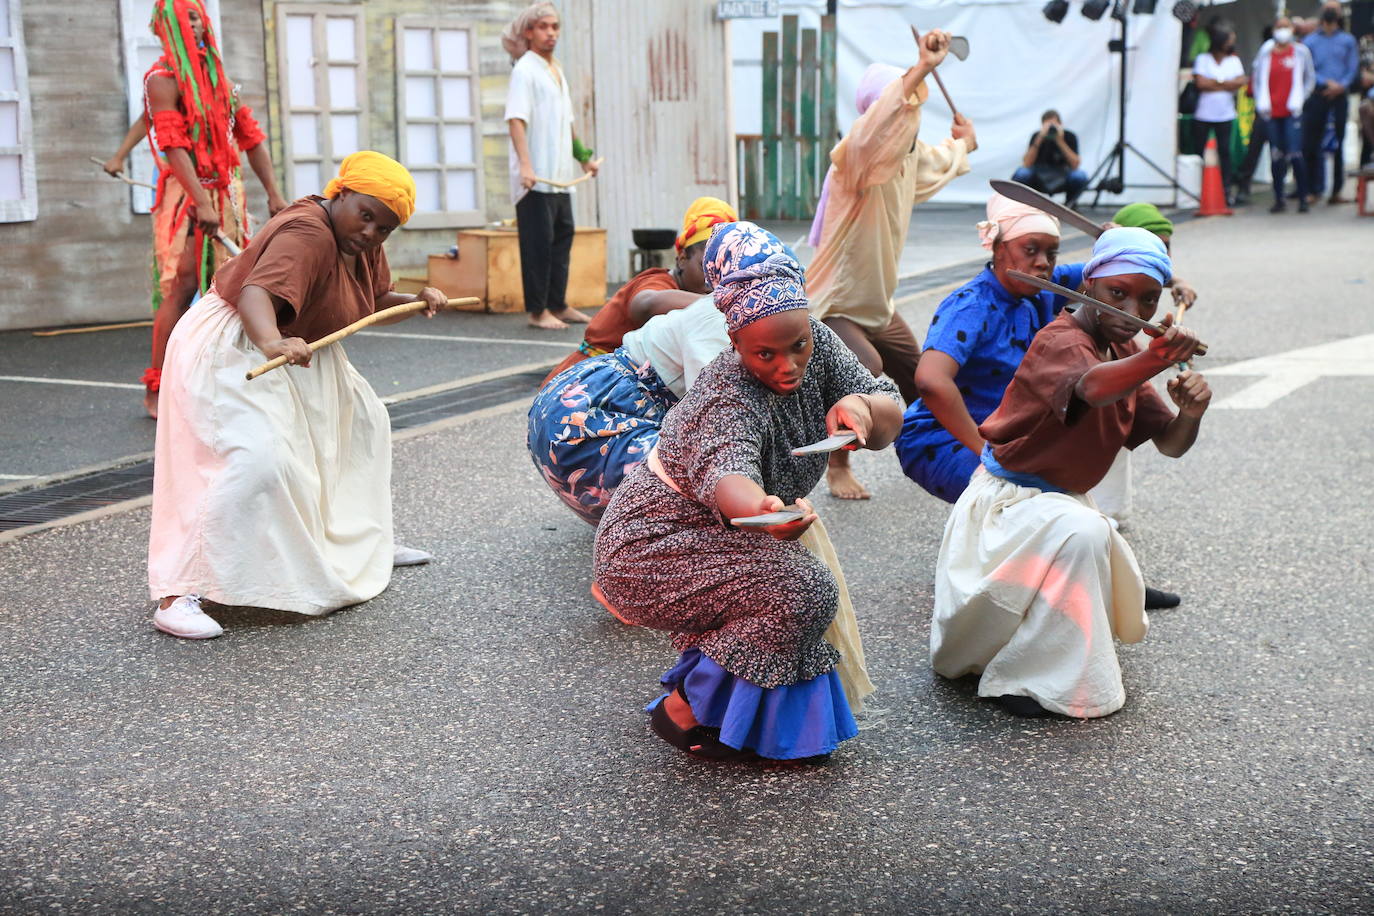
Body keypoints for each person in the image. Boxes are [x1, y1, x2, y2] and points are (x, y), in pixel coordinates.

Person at [593, 222, 902, 761]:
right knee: (799, 590)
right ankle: (687, 709)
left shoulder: (821, 344)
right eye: (766, 355)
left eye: (798, 345)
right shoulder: (724, 393)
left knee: (794, 588)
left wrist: (864, 411)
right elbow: (728, 476)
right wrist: (759, 508)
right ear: (734, 341)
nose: (788, 366)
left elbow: (887, 403)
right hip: (651, 543)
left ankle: (742, 723)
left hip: (725, 532)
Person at [147, 152, 443, 640]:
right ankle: (180, 592)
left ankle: (354, 541)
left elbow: (368, 302)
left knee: (360, 429)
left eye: (384, 228)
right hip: (239, 343)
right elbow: (255, 295)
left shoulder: (359, 241)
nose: (371, 232)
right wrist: (271, 341)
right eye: (365, 215)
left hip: (301, 346)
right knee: (255, 459)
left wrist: (417, 302)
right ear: (340, 193)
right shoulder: (308, 231)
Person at [929, 227, 1210, 719]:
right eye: (1117, 294)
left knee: (1083, 529)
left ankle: (1044, 662)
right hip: (1008, 504)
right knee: (1083, 531)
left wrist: (1190, 413)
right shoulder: (1059, 339)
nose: (1136, 311)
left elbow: (1170, 444)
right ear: (1087, 286)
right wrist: (1153, 358)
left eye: (1148, 300)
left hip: (1056, 504)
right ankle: (1024, 677)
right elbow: (1091, 387)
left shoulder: (1122, 351)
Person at [806, 29, 975, 500]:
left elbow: (935, 159)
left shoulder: (904, 157)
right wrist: (919, 70)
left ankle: (940, 449)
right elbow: (874, 130)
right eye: (900, 110)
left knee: (922, 374)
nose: (906, 120)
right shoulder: (855, 162)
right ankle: (836, 464)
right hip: (836, 302)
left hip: (877, 304)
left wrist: (964, 145)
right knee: (864, 366)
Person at [103, 0, 289, 418]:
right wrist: (200, 200)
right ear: (165, 28)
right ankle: (158, 385)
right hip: (189, 197)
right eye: (184, 18)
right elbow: (170, 143)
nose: (195, 24)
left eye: (197, 17)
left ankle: (218, 378)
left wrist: (274, 194)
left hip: (227, 196)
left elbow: (250, 138)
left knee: (227, 286)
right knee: (183, 286)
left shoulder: (218, 80)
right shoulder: (162, 78)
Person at [895, 194, 1077, 506]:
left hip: (1003, 439)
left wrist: (1117, 244)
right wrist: (985, 451)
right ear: (997, 247)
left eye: (1052, 253)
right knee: (1016, 502)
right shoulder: (971, 306)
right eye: (1030, 249)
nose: (1043, 262)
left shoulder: (1040, 289)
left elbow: (1108, 274)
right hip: (941, 438)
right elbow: (930, 380)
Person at [528, 293, 728, 525]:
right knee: (708, 470)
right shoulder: (720, 318)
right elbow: (717, 424)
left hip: (570, 404)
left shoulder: (735, 307)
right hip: (584, 420)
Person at [539, 196, 735, 386]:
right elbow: (646, 304)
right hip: (585, 383)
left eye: (724, 272)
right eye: (705, 268)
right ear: (682, 258)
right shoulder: (657, 281)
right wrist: (721, 302)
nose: (714, 281)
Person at [503, 2, 599, 331]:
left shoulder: (556, 69)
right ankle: (537, 311)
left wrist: (583, 156)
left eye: (555, 27)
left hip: (559, 178)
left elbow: (568, 123)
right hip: (535, 178)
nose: (551, 33)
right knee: (538, 245)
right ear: (528, 32)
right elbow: (516, 120)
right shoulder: (524, 70)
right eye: (544, 26)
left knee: (562, 238)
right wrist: (526, 167)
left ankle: (557, 303)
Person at [1253, 17, 1317, 213]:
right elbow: (1257, 80)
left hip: (1292, 111)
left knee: (1295, 154)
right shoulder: (1265, 52)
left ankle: (1303, 195)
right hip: (1271, 111)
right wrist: (1261, 103)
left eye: (1285, 27)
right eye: (1279, 27)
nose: (1282, 31)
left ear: (1292, 30)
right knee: (1276, 156)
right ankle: (1278, 197)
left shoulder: (1300, 51)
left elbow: (1309, 79)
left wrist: (1300, 100)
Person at [1302, 2, 1360, 204]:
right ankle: (1313, 189)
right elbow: (1307, 68)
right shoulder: (1310, 41)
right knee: (1312, 142)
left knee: (1338, 143)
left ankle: (1336, 190)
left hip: (1339, 96)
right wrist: (1325, 82)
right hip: (1318, 94)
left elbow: (1352, 68)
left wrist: (1340, 86)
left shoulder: (1347, 40)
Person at [1192, 23, 1246, 205]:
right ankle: (1196, 188)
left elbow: (1239, 82)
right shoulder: (1203, 59)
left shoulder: (1233, 61)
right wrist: (1225, 83)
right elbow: (1201, 84)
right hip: (1204, 114)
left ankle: (1226, 189)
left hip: (1225, 114)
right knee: (1199, 151)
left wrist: (1215, 82)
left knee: (1225, 152)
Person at [1011, 110, 1088, 208]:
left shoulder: (1069, 136)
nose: (1051, 129)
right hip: (1038, 174)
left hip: (1062, 172)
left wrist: (1060, 140)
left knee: (1079, 176)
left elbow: (1075, 165)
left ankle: (1070, 204)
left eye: (1054, 125)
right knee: (1021, 173)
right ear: (1042, 126)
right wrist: (1039, 139)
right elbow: (1026, 163)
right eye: (1048, 126)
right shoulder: (1037, 136)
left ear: (1060, 124)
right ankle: (1025, 204)